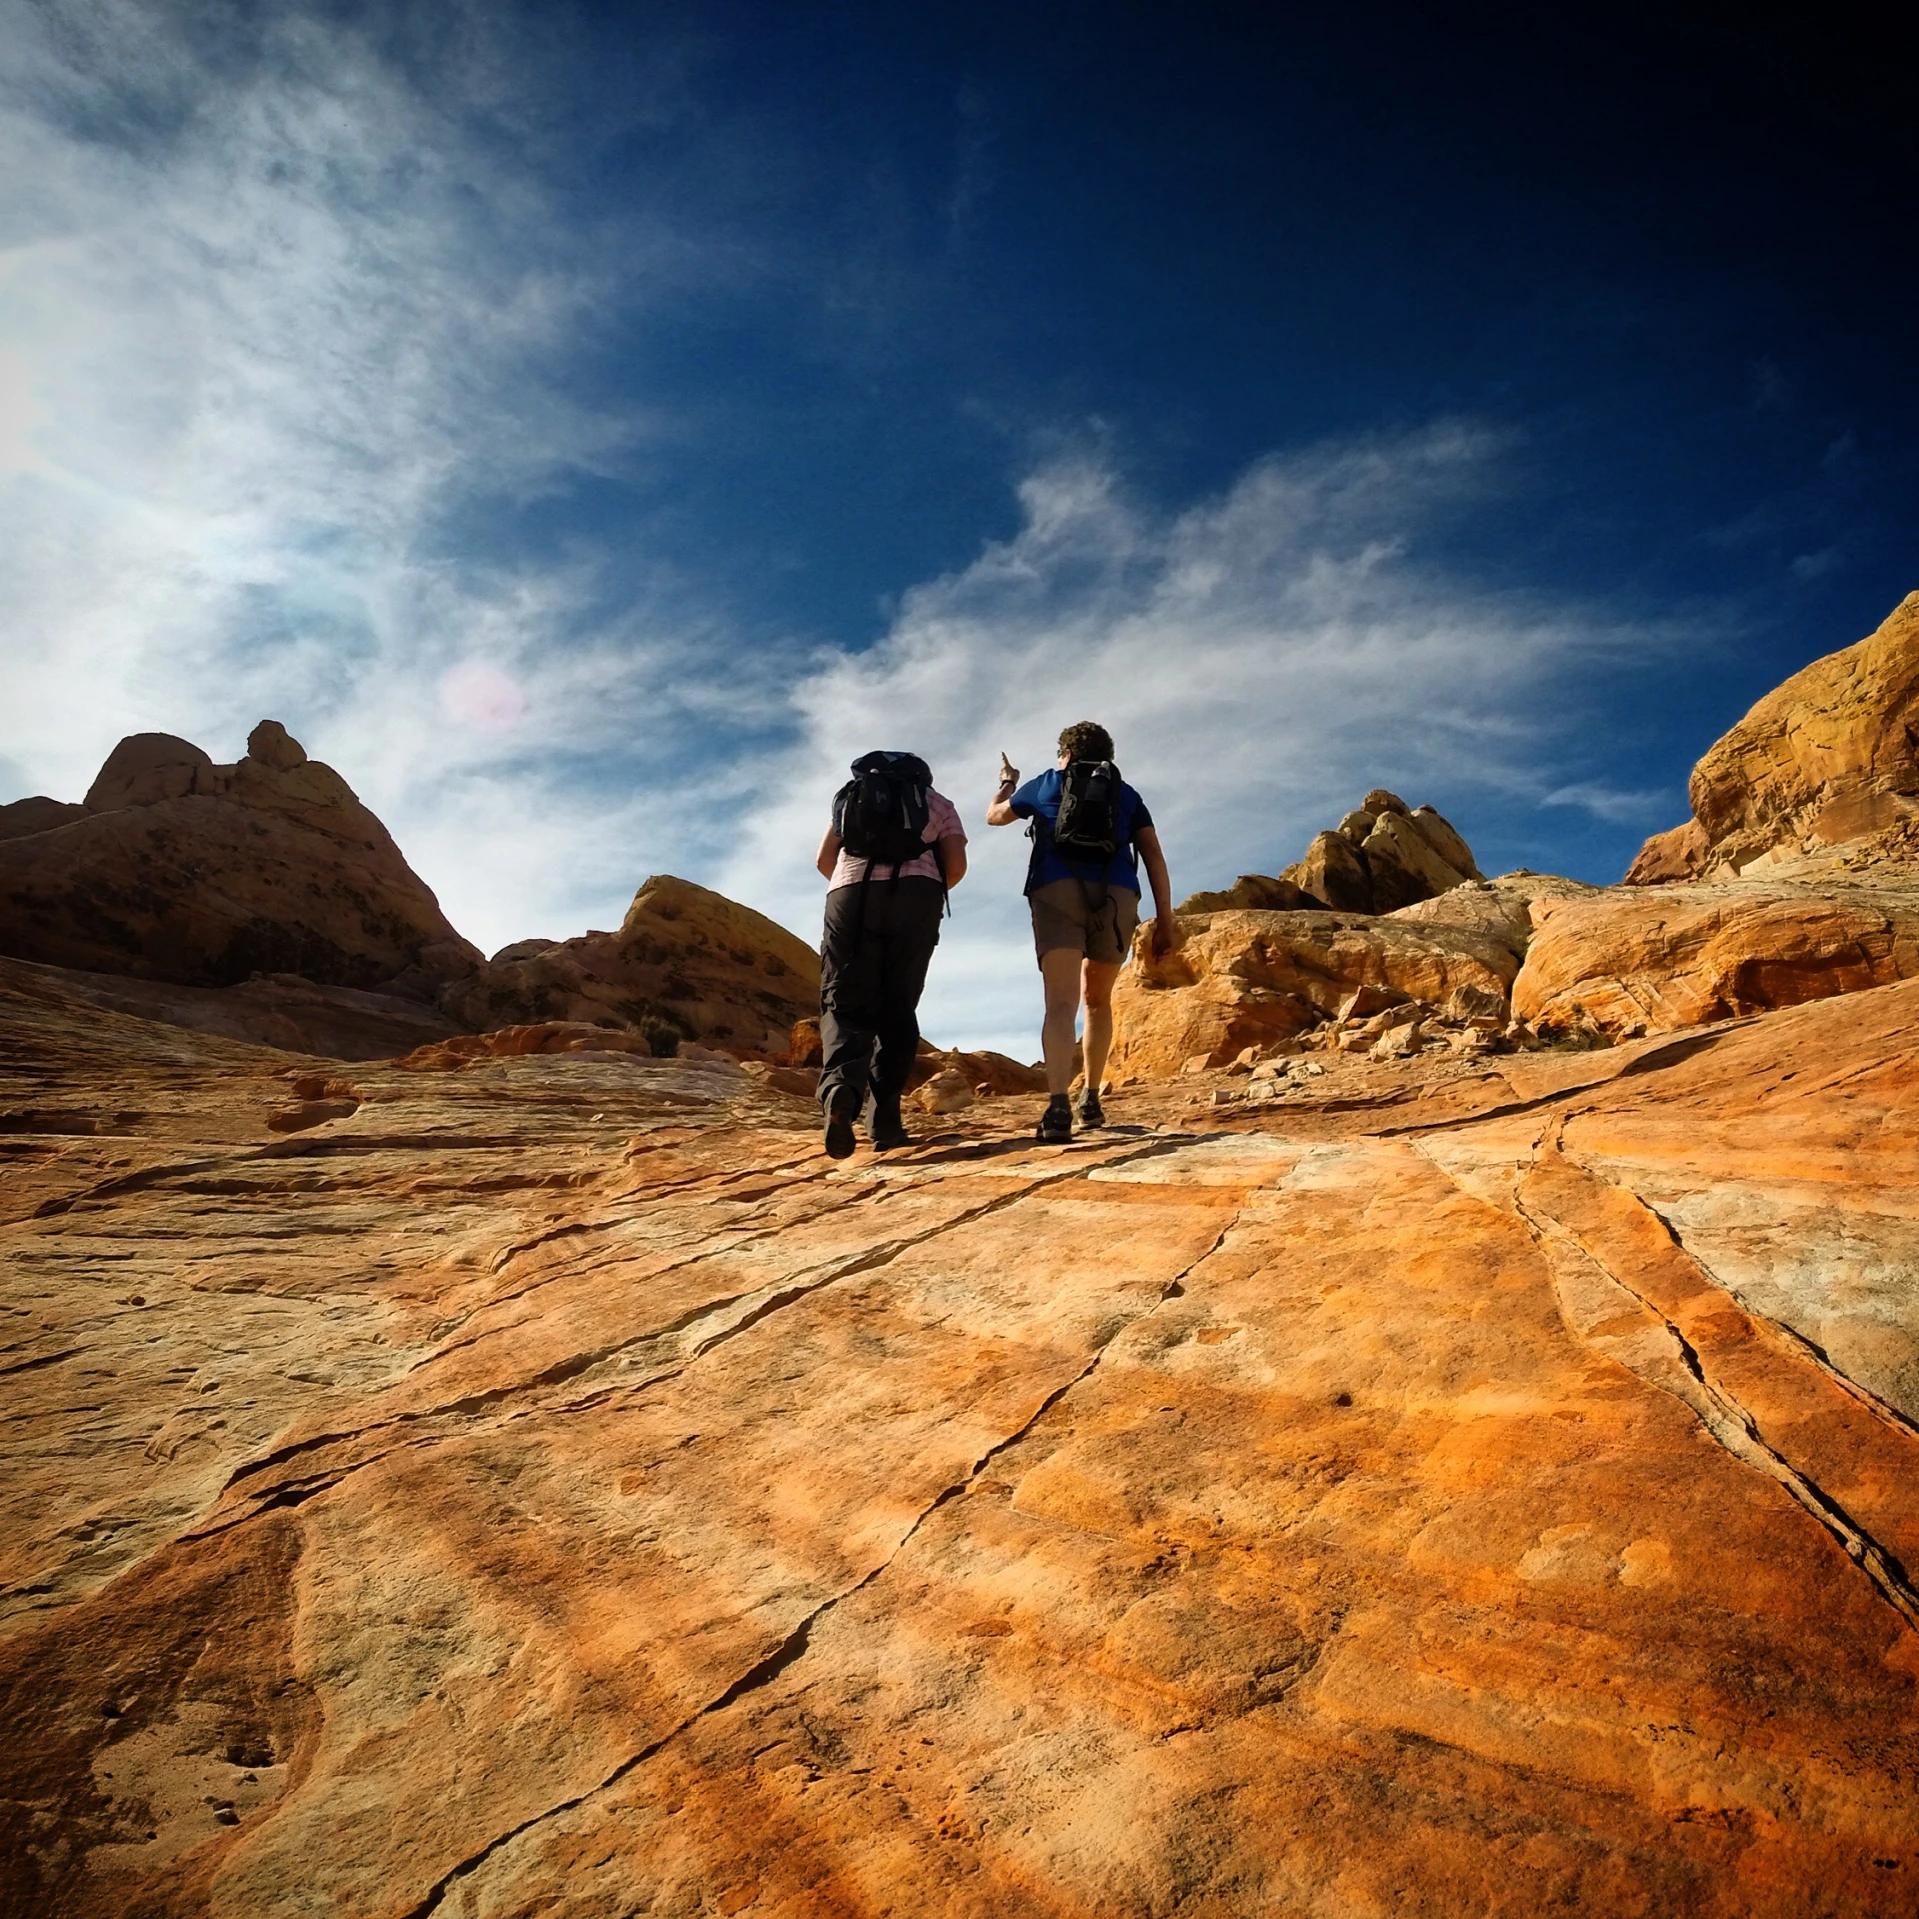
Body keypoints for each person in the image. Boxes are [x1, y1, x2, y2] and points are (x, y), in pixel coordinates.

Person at [986, 721, 1175, 1143]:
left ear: (1065, 754)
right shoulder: (1126, 795)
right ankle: (1091, 1098)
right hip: (1116, 894)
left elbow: (994, 817)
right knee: (1098, 1000)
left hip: (1057, 889)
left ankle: (1057, 1109)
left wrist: (1006, 783)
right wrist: (1166, 919)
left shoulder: (1047, 783)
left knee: (1060, 1003)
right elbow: (1154, 857)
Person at [814, 751, 967, 1159]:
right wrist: (927, 892)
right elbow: (956, 865)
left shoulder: (851, 797)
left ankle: (841, 1096)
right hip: (916, 899)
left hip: (850, 895)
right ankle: (885, 1123)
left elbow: (823, 860)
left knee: (844, 1005)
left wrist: (855, 887)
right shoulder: (938, 804)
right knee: (898, 1008)